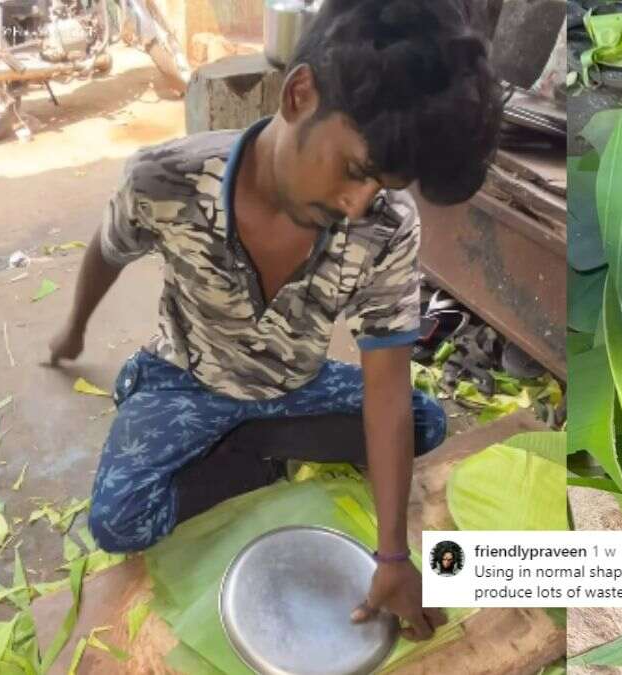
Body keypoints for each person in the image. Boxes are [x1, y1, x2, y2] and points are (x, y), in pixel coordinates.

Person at [46, 0, 502, 641]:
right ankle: (241, 444)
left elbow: (388, 385)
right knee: (119, 520)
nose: (356, 204)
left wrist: (394, 556)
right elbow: (106, 250)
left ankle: (254, 442)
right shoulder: (166, 180)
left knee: (422, 422)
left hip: (297, 385)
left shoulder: (387, 224)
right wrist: (73, 328)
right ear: (299, 93)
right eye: (354, 170)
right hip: (188, 379)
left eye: (379, 186)